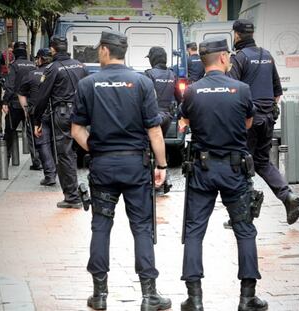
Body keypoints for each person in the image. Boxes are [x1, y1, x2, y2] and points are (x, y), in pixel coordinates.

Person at [71, 30, 171, 311]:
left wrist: (97, 148)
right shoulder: (141, 82)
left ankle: (100, 294)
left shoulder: (88, 84)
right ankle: (149, 295)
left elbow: (76, 130)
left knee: (101, 226)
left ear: (104, 50)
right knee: (141, 228)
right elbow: (155, 132)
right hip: (135, 167)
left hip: (102, 166)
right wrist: (162, 165)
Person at [179, 37, 267, 311]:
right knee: (244, 230)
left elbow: (185, 120)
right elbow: (248, 122)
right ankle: (247, 297)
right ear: (222, 58)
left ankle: (194, 299)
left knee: (194, 231)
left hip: (202, 169)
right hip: (234, 170)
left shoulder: (192, 92)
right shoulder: (241, 90)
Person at [228, 19, 299, 225]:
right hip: (268, 117)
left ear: (237, 35)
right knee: (261, 161)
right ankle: (287, 195)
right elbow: (278, 92)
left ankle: (243, 212)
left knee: (240, 162)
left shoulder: (239, 58)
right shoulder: (267, 55)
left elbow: (233, 92)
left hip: (249, 120)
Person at [33, 36, 86, 208]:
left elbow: (42, 97)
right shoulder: (80, 65)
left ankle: (72, 197)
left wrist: (37, 120)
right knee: (83, 149)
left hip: (63, 115)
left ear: (53, 49)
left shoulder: (52, 68)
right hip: (82, 114)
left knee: (65, 155)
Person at [145, 46, 181, 195]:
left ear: (153, 59)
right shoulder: (172, 75)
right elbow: (180, 98)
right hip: (167, 117)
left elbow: (146, 97)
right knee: (160, 147)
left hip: (153, 117)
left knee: (149, 150)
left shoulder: (148, 74)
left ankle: (154, 183)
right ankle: (163, 181)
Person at [18, 48, 57, 186]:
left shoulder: (31, 75)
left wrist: (26, 110)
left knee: (43, 144)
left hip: (38, 115)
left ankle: (50, 175)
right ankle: (57, 171)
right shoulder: (56, 71)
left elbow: (21, 93)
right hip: (57, 113)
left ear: (39, 59)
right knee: (56, 143)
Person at [2, 41, 40, 170]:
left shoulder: (13, 66)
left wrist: (5, 102)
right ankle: (37, 161)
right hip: (30, 105)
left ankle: (4, 161)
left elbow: (10, 86)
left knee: (9, 132)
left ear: (15, 52)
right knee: (32, 133)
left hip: (15, 105)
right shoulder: (33, 66)